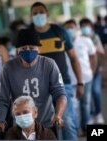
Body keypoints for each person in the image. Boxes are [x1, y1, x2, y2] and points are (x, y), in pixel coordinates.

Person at [28, 2, 83, 140]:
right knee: (43, 125)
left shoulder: (59, 32)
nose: (38, 15)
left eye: (41, 12)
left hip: (63, 84)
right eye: (35, 13)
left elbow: (74, 59)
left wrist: (80, 82)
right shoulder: (28, 35)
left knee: (67, 122)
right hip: (38, 88)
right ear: (31, 16)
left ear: (47, 14)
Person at [0, 29, 67, 135]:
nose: (28, 51)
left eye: (32, 48)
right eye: (23, 48)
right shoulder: (8, 68)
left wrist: (58, 115)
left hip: (46, 124)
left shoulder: (49, 65)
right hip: (20, 126)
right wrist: (0, 120)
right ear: (17, 50)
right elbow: (2, 99)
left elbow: (60, 93)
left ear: (38, 49)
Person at [64, 19, 97, 136]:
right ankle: (76, 129)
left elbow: (93, 56)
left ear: (76, 28)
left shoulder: (86, 40)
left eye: (71, 27)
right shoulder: (62, 43)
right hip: (70, 81)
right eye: (67, 28)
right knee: (73, 106)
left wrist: (92, 71)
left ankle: (85, 128)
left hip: (86, 78)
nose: (69, 30)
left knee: (85, 104)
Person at [79, 18, 105, 125]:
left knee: (96, 92)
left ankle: (98, 113)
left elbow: (101, 52)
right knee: (86, 97)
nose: (85, 28)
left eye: (87, 25)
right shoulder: (78, 39)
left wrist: (93, 48)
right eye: (83, 25)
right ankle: (88, 116)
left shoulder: (95, 37)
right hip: (84, 72)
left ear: (91, 26)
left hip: (96, 71)